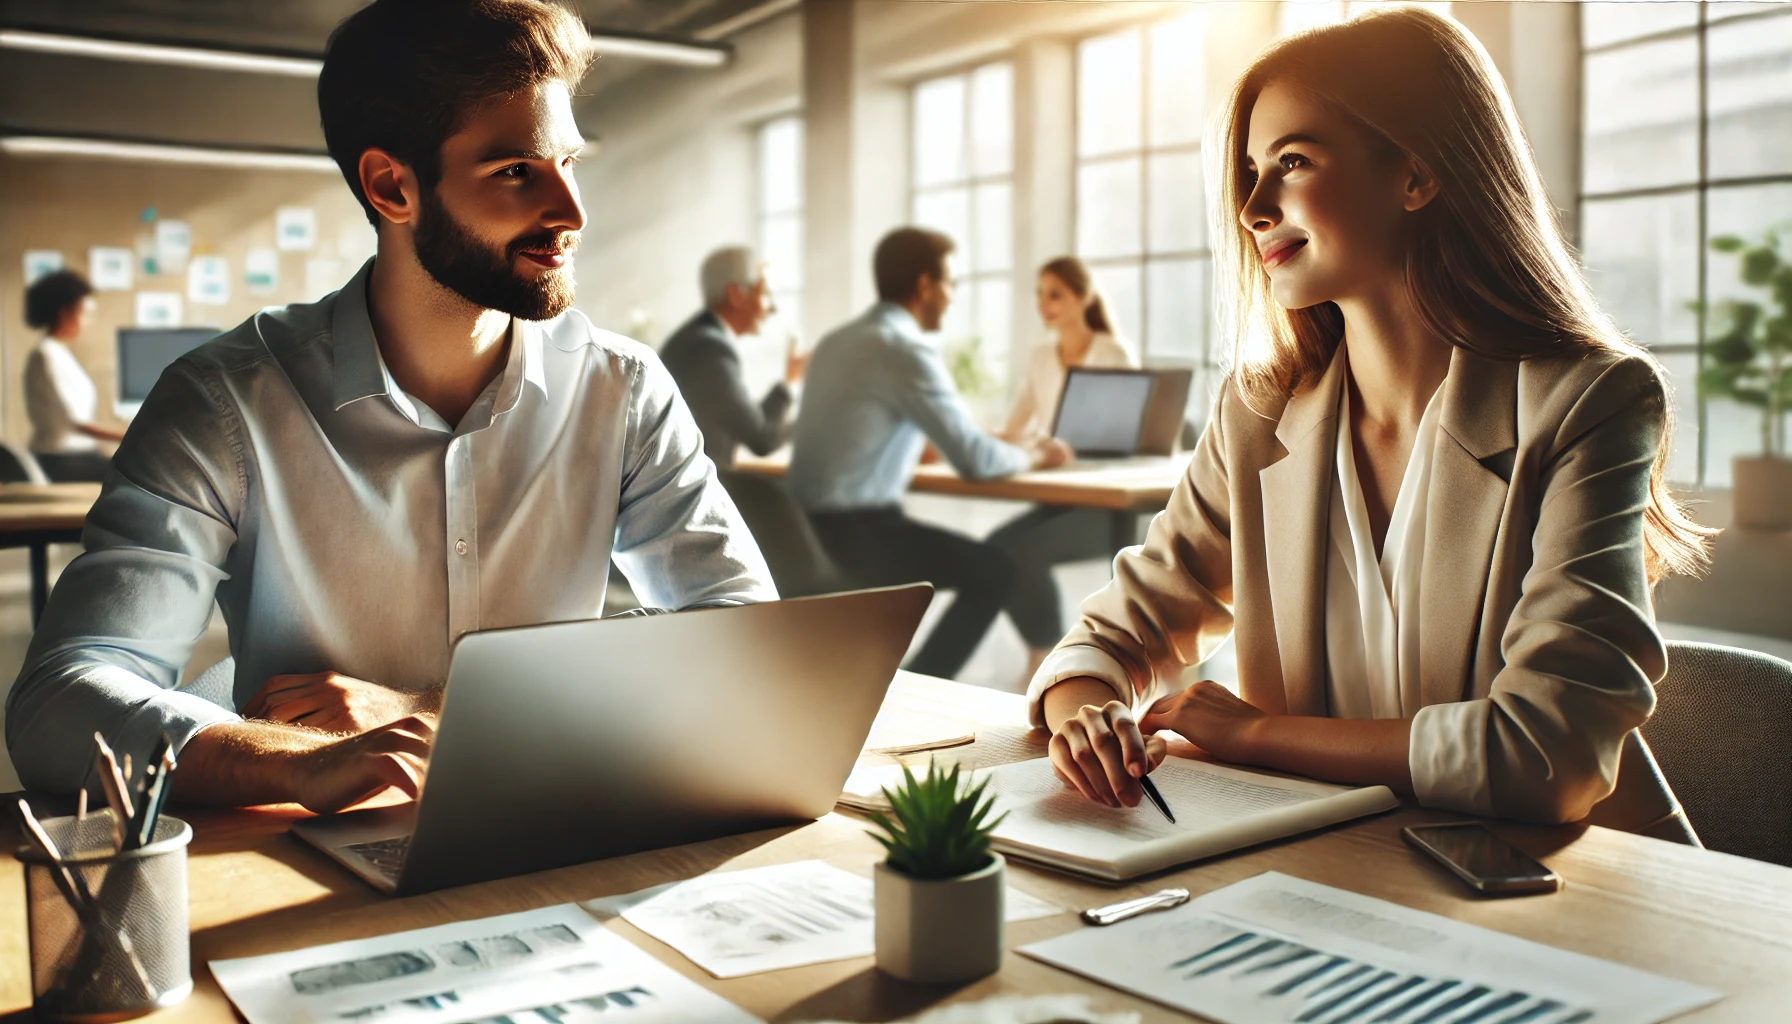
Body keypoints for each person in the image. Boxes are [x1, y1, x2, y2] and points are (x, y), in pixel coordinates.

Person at [7, 0, 774, 810]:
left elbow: (744, 634)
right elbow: (61, 701)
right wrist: (300, 764)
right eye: (517, 170)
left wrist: (436, 713)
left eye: (569, 164)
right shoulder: (224, 400)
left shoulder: (625, 389)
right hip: (312, 849)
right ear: (391, 186)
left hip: (559, 809)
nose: (571, 213)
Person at [1037, 7, 1713, 827]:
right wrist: (1086, 713)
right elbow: (1116, 634)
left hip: (1559, 898)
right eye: (1249, 170)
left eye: (1292, 161)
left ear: (1417, 176)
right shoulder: (1259, 415)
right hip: (1341, 874)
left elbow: (1547, 754)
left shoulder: (1588, 402)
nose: (1251, 207)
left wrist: (1256, 733)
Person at [790, 227, 1072, 679]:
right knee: (998, 568)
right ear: (925, 286)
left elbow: (857, 426)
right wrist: (1033, 455)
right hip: (857, 536)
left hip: (798, 531)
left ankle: (897, 683)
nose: (952, 297)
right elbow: (975, 460)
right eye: (951, 284)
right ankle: (916, 683)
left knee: (986, 563)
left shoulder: (836, 342)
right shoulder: (903, 348)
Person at [987, 257, 1138, 683]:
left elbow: (1126, 439)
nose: (1043, 303)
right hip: (1059, 496)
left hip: (1106, 503)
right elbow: (1016, 428)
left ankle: (1047, 657)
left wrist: (1068, 448)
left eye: (1055, 294)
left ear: (1083, 298)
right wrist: (983, 435)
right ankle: (1045, 649)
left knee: (1026, 549)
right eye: (1039, 293)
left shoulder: (1112, 353)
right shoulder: (1040, 357)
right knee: (998, 548)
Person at [659, 246, 804, 467]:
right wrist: (814, 419)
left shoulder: (697, 338)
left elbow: (751, 423)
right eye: (764, 293)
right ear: (736, 294)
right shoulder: (709, 349)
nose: (771, 307)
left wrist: (789, 381)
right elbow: (762, 439)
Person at [21, 270, 125, 482]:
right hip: (61, 459)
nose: (87, 322)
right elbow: (78, 422)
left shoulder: (57, 352)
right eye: (84, 313)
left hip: (76, 456)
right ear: (64, 313)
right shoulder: (46, 355)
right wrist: (131, 434)